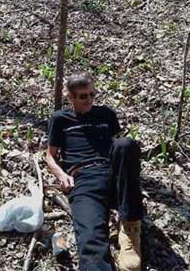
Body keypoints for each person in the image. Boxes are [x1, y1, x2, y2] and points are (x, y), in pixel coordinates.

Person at [46, 73, 143, 271]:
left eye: (92, 94)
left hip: (113, 173)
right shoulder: (60, 119)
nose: (89, 100)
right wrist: (61, 175)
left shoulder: (106, 114)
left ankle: (130, 228)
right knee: (90, 237)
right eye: (83, 96)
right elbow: (49, 156)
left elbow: (122, 152)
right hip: (83, 179)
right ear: (71, 97)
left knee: (126, 144)